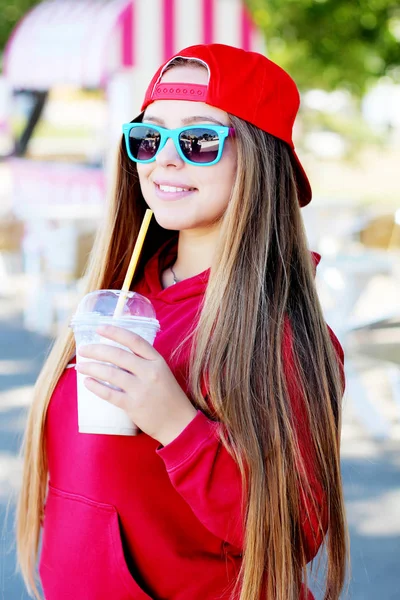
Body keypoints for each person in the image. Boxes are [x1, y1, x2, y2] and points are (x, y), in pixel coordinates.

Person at [16, 44, 348, 600]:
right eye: (150, 137)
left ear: (262, 161)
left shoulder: (280, 336)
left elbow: (292, 537)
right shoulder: (120, 301)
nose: (165, 159)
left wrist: (177, 424)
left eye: (198, 140)